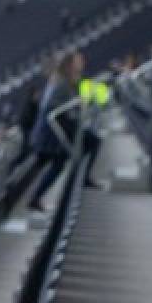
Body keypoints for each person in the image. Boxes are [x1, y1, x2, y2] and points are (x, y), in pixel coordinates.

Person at [26, 51, 104, 211]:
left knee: (62, 161)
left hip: (61, 128)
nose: (83, 62)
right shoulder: (61, 82)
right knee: (64, 159)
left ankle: (38, 197)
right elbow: (52, 108)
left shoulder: (70, 81)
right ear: (70, 64)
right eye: (79, 60)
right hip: (53, 131)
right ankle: (80, 178)